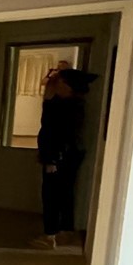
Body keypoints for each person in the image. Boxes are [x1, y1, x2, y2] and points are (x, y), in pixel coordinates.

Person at [31, 66, 98, 249]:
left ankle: (50, 234)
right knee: (65, 192)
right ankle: (63, 231)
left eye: (59, 81)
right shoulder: (74, 103)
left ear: (67, 85)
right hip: (70, 155)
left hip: (59, 156)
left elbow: (57, 133)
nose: (56, 84)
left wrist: (52, 159)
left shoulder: (63, 106)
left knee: (51, 194)